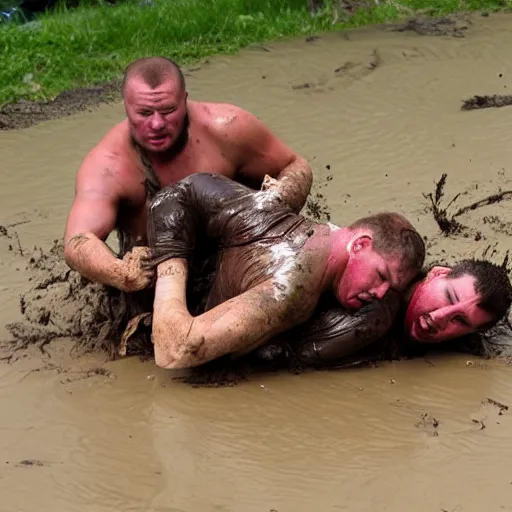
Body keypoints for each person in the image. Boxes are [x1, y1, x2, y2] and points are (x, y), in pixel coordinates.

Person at [62, 56, 313, 293]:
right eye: (145, 113)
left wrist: (274, 204)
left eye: (168, 110)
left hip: (238, 261)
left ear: (185, 100)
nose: (157, 124)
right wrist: (121, 272)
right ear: (127, 108)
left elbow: (295, 165)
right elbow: (78, 241)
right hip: (157, 285)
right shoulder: (107, 166)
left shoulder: (227, 128)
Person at [145, 172, 426, 370]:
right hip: (166, 313)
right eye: (381, 276)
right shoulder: (290, 290)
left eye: (390, 289)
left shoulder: (271, 208)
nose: (379, 293)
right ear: (359, 245)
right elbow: (175, 350)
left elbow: (181, 192)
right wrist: (170, 265)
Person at [254, 258, 512, 370]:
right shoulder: (370, 295)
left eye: (460, 320)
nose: (439, 317)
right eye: (449, 297)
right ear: (437, 273)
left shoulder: (462, 348)